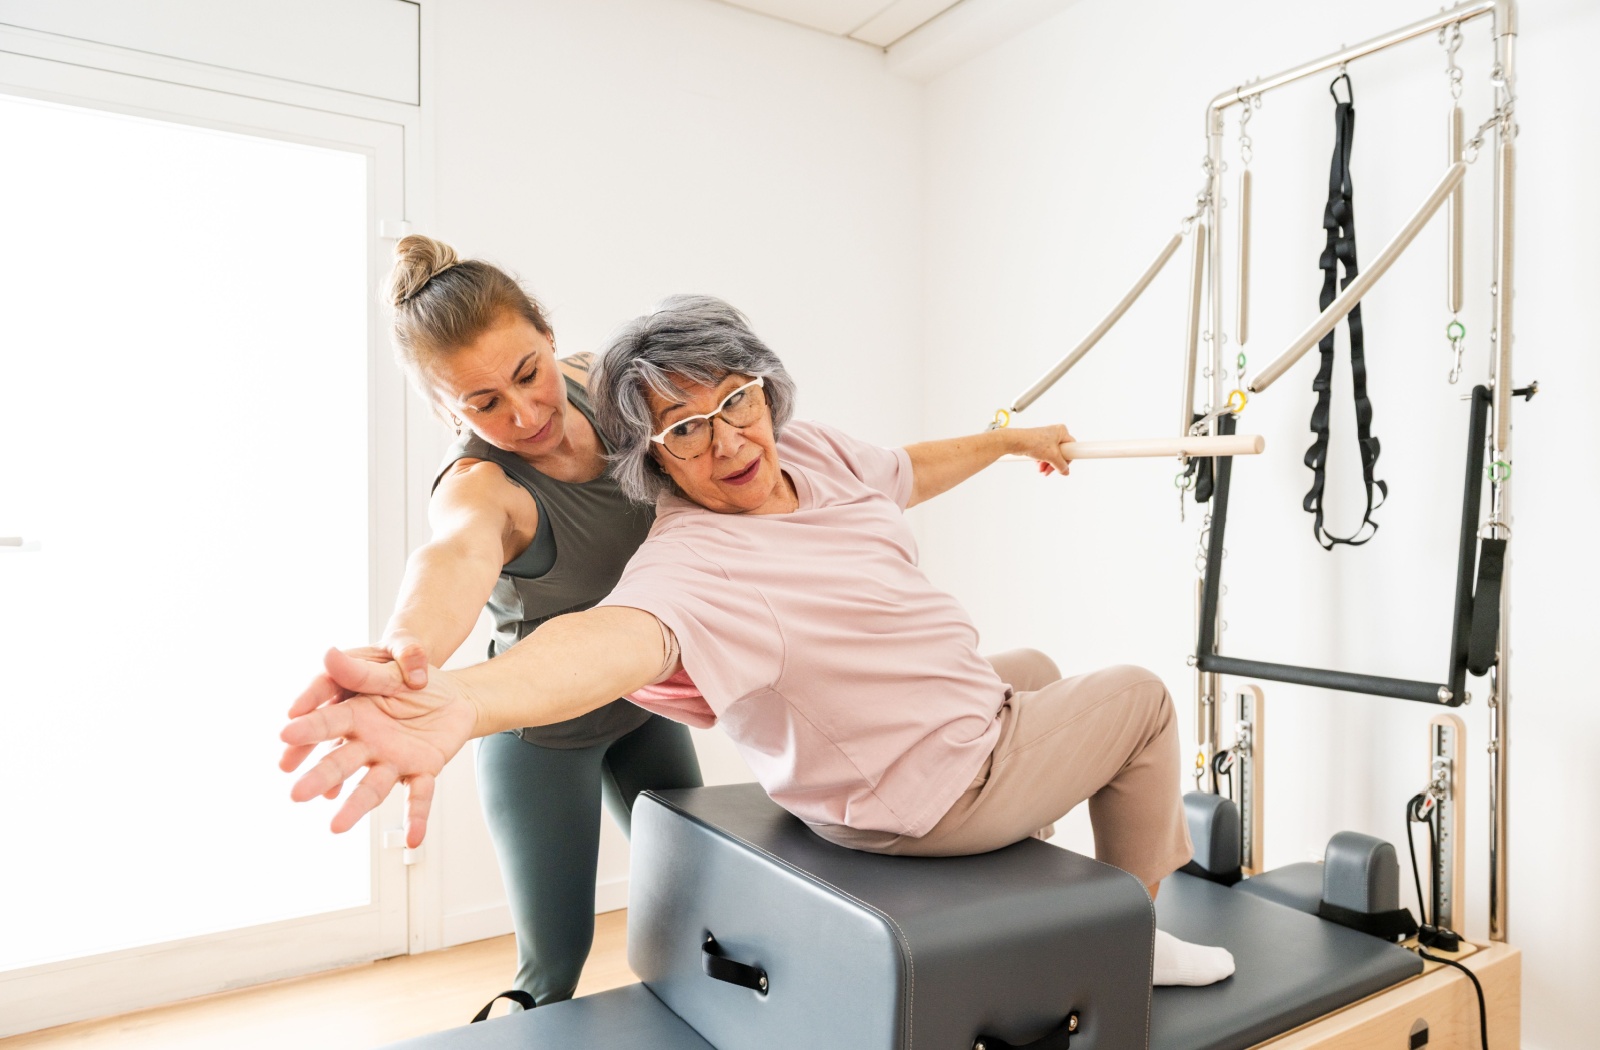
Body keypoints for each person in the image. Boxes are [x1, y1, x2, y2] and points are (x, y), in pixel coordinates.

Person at [282, 295, 1235, 987]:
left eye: (735, 403)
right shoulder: (687, 557)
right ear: (648, 459)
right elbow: (599, 627)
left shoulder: (799, 444)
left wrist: (1004, 442)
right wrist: (441, 687)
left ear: (765, 389)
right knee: (1138, 696)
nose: (725, 443)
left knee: (1031, 673)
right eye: (684, 434)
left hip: (816, 747)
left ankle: (1016, 871)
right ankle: (1132, 938)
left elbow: (900, 470)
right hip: (854, 783)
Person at [287, 237, 705, 1005]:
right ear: (446, 409)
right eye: (483, 404)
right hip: (542, 741)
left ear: (550, 339)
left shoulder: (599, 383)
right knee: (553, 968)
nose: (523, 413)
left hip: (643, 704)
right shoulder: (479, 487)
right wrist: (403, 651)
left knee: (701, 912)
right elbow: (453, 557)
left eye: (527, 373)